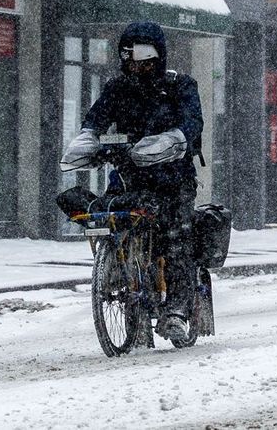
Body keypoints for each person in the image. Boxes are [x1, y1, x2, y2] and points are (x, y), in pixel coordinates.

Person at [60, 20, 203, 343]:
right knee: (107, 216)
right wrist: (88, 138)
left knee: (175, 239)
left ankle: (177, 311)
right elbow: (97, 117)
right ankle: (117, 275)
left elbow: (192, 123)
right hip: (129, 177)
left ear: (158, 57)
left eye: (142, 57)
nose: (135, 64)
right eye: (129, 57)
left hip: (173, 179)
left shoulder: (180, 86)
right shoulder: (117, 88)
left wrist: (171, 142)